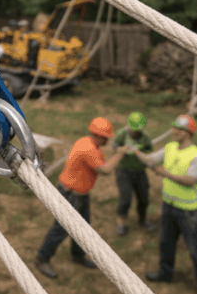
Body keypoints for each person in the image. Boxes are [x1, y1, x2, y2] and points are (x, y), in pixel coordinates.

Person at [133, 114, 197, 294]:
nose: (175, 131)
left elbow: (191, 181)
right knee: (166, 243)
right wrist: (136, 152)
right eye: (174, 127)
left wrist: (165, 173)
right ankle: (165, 273)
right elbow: (152, 159)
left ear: (189, 133)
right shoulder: (170, 147)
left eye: (179, 129)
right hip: (169, 205)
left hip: (190, 211)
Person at [35, 117, 129, 279]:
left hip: (79, 194)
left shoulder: (86, 142)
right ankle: (42, 258)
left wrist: (115, 152)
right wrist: (120, 155)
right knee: (61, 228)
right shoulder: (89, 150)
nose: (108, 140)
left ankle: (77, 255)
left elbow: (99, 158)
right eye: (106, 137)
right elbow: (105, 170)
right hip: (71, 195)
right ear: (100, 137)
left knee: (82, 227)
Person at [110, 111, 156, 235]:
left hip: (140, 170)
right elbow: (114, 146)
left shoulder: (145, 136)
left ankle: (142, 219)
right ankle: (121, 223)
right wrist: (121, 149)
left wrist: (141, 153)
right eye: (134, 129)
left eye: (138, 130)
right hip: (124, 170)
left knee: (144, 197)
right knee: (125, 198)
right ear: (129, 125)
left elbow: (149, 150)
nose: (136, 132)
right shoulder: (122, 133)